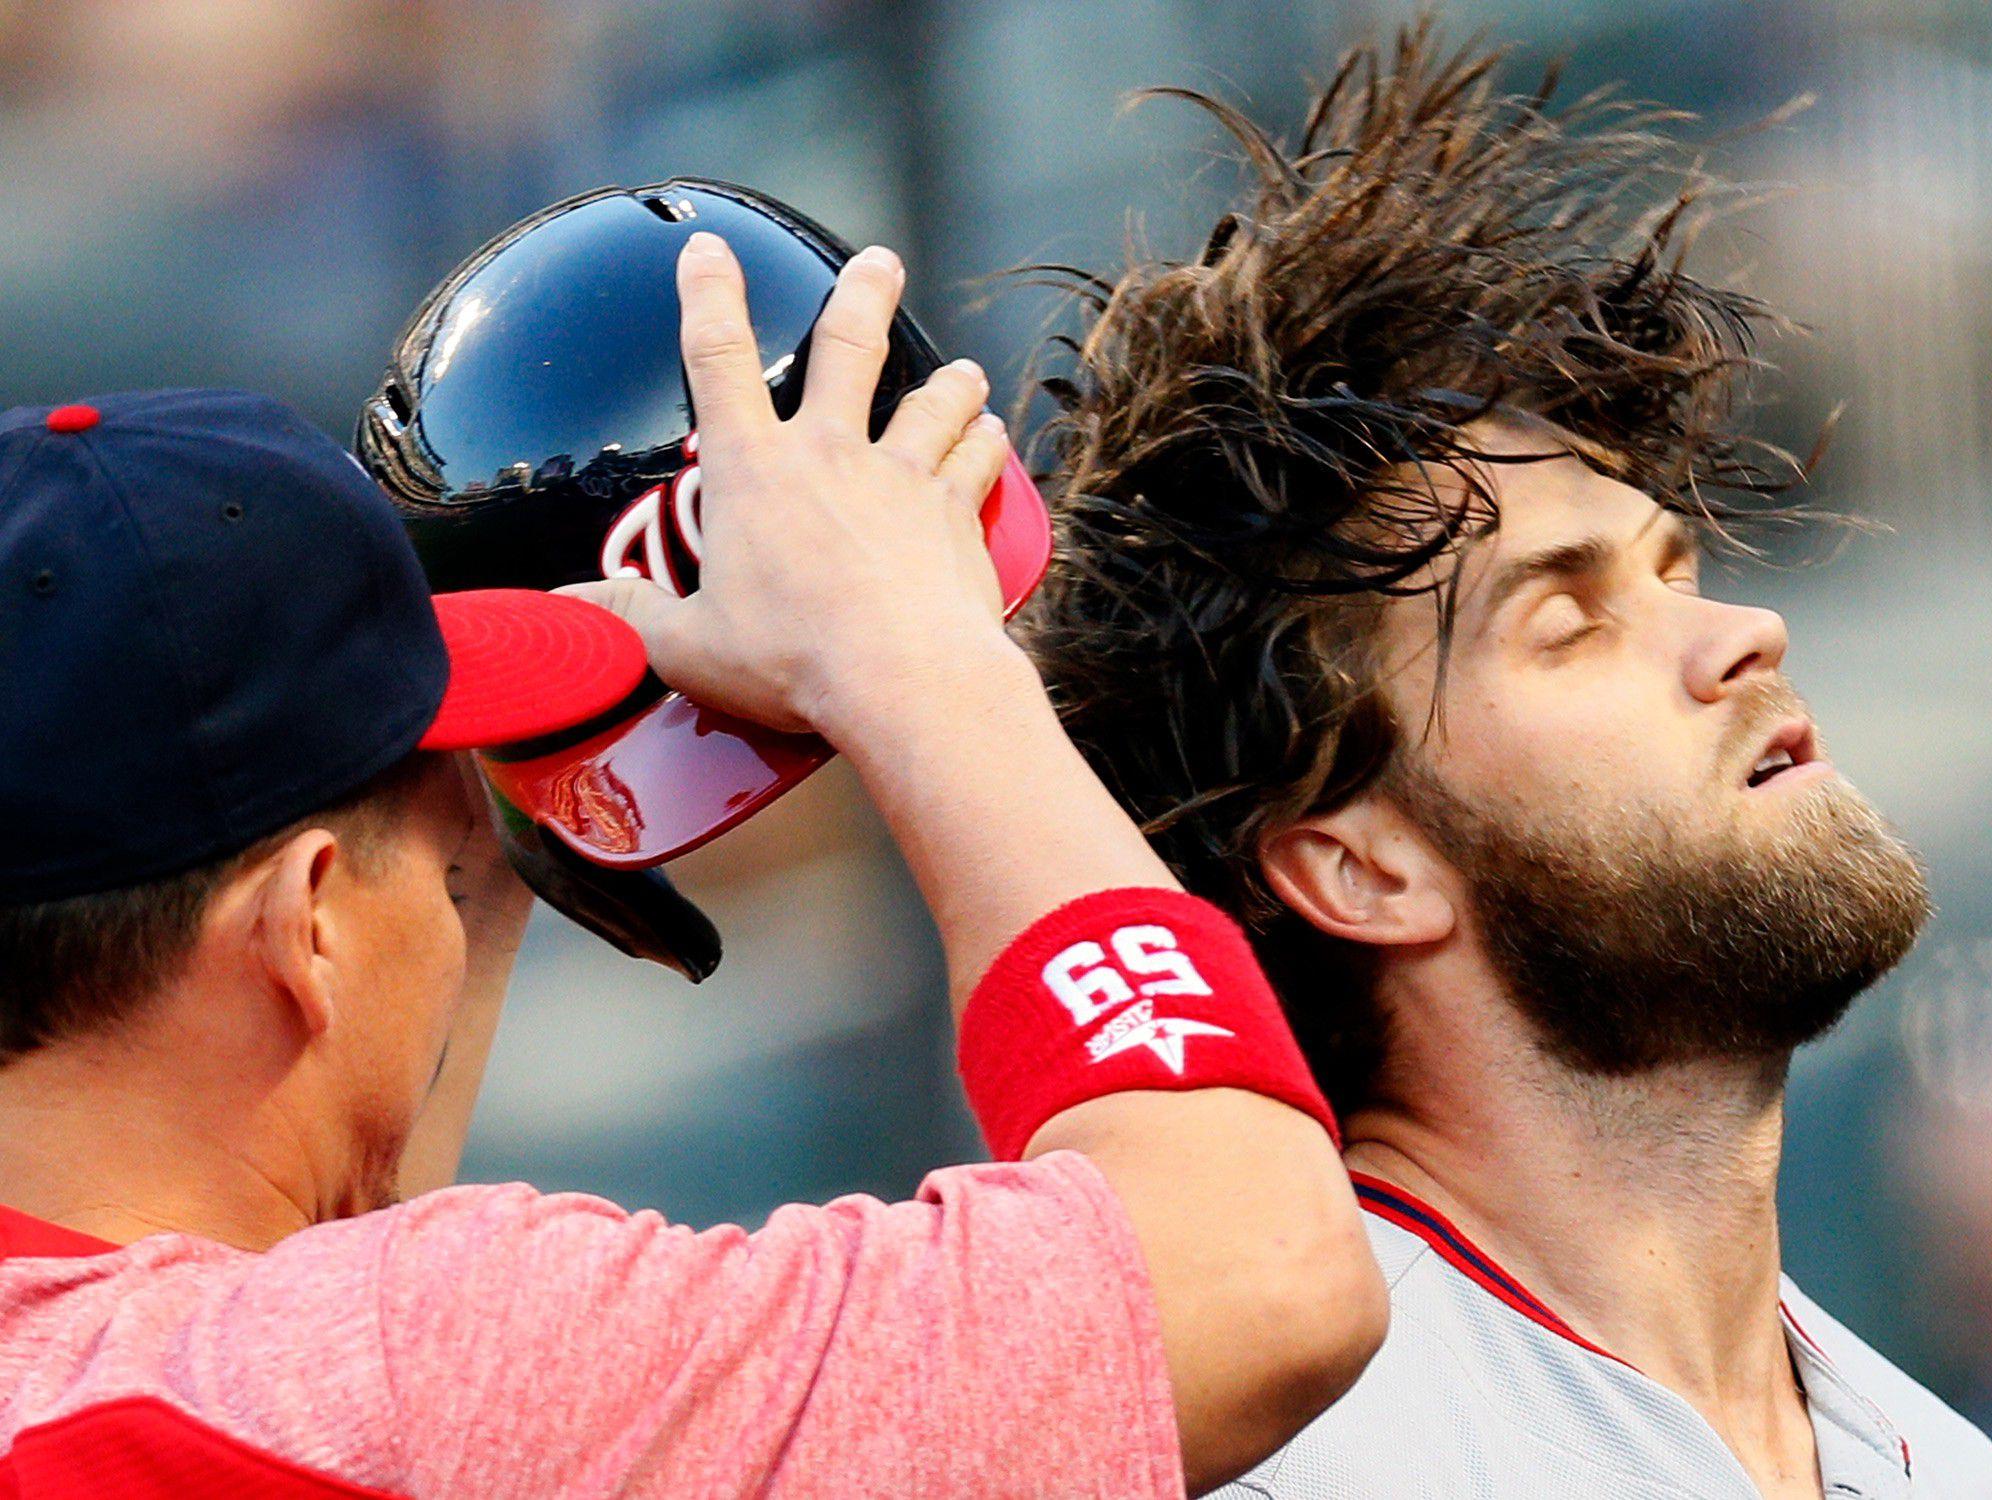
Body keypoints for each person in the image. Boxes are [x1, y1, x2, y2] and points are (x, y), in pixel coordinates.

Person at [0, 235, 1384, 1497]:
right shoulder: (405, 1367)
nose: (463, 889)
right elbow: (1252, 1276)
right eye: (434, 862)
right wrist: (911, 656)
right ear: (307, 930)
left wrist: (484, 766)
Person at [1023, 27, 1992, 1499]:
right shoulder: (1299, 1467)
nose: (1740, 636)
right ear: (1361, 866)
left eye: (1677, 573)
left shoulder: (1943, 1462)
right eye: (1570, 624)